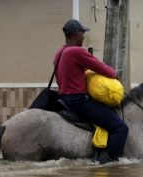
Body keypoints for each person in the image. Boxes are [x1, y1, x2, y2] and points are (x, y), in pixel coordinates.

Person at [53, 19, 128, 164]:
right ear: (75, 34)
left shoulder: (59, 52)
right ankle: (107, 162)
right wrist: (115, 74)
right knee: (120, 127)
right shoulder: (77, 51)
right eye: (82, 33)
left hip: (63, 98)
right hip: (78, 100)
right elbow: (102, 68)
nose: (83, 37)